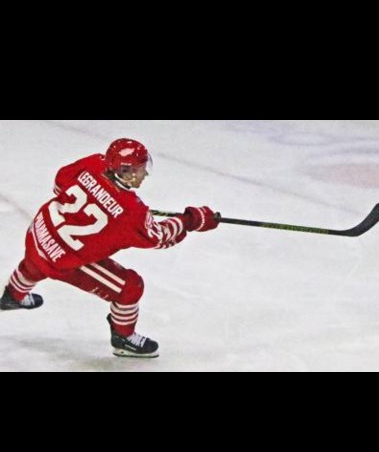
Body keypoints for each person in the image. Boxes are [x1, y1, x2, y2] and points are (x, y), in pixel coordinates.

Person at [0, 138, 219, 358]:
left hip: (39, 230)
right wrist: (192, 220)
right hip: (62, 259)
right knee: (130, 287)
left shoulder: (94, 163)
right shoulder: (132, 212)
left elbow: (60, 184)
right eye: (142, 168)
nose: (145, 174)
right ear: (126, 172)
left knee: (35, 261)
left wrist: (94, 203)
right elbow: (159, 237)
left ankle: (13, 295)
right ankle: (123, 338)